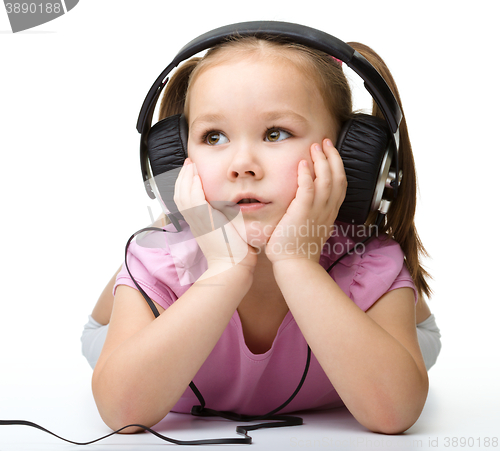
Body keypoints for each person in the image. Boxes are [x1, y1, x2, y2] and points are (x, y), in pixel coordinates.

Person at [83, 31, 441, 435]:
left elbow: (393, 412)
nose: (241, 164)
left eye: (275, 133)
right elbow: (122, 413)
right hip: (130, 321)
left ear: (349, 155)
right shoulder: (160, 263)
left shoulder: (368, 263)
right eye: (213, 137)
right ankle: (177, 225)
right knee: (164, 245)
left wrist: (297, 263)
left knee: (407, 339)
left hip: (394, 325)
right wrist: (224, 271)